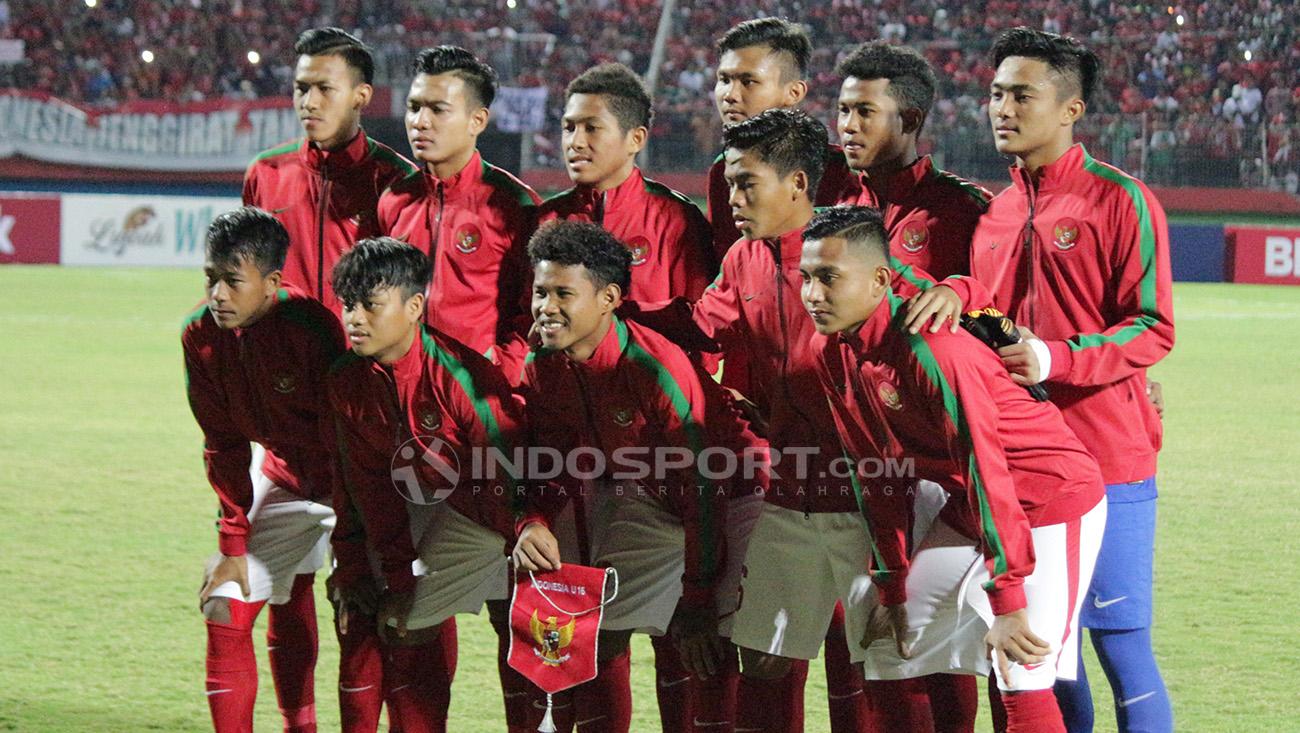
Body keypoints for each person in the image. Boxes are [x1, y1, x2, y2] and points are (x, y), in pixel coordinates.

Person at [800, 205, 1108, 733]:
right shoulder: (830, 350)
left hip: (1050, 500)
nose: (812, 294)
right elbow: (874, 474)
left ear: (879, 279)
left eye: (828, 278)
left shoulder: (932, 349)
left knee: (1020, 667)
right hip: (975, 504)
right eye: (805, 277)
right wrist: (892, 583)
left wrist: (1007, 598)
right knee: (895, 645)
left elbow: (988, 467)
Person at [971, 28, 1175, 733]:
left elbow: (1153, 327)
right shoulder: (994, 212)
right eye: (996, 93)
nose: (1002, 108)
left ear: (1071, 109)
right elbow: (985, 319)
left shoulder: (1122, 200)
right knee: (1046, 658)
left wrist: (1055, 359)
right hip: (1021, 466)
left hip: (1110, 455)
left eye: (1022, 95)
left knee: (1121, 646)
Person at [511, 220, 765, 733]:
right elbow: (548, 462)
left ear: (608, 298)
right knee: (594, 634)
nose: (546, 307)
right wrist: (529, 521)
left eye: (564, 294)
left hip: (735, 494)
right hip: (652, 497)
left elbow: (705, 490)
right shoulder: (546, 366)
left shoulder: (655, 368)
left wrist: (696, 598)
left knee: (709, 643)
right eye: (541, 292)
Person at [326, 238, 530, 733]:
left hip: (506, 517)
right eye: (348, 304)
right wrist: (390, 574)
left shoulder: (462, 378)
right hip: (436, 513)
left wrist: (524, 533)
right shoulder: (346, 381)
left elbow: (510, 473)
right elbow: (364, 487)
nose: (354, 317)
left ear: (414, 306)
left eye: (370, 305)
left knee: (526, 635)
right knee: (397, 619)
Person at [183, 207, 345, 733]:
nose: (218, 295)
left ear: (272, 283)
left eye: (233, 282)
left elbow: (350, 434)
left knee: (372, 620)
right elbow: (223, 443)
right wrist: (232, 545)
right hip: (282, 478)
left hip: (353, 489)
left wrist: (362, 539)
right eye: (211, 278)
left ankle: (305, 724)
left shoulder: (313, 329)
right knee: (227, 603)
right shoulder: (199, 336)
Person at [377, 46, 541, 357]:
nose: (420, 122)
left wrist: (502, 367)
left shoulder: (516, 207)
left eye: (438, 110)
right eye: (414, 107)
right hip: (405, 388)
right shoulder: (394, 200)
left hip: (478, 394)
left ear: (477, 120)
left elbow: (535, 309)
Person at [243, 27, 416, 309]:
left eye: (325, 89)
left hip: (359, 352)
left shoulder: (398, 181)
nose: (309, 103)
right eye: (302, 89)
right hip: (282, 351)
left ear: (361, 96)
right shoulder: (264, 172)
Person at [539, 63, 716, 305]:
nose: (575, 142)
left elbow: (696, 322)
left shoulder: (676, 220)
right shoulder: (544, 220)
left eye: (592, 128)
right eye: (569, 128)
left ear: (636, 139)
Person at [705, 17, 860, 261]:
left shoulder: (841, 173)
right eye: (724, 80)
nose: (730, 95)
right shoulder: (721, 172)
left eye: (748, 81)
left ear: (794, 93)